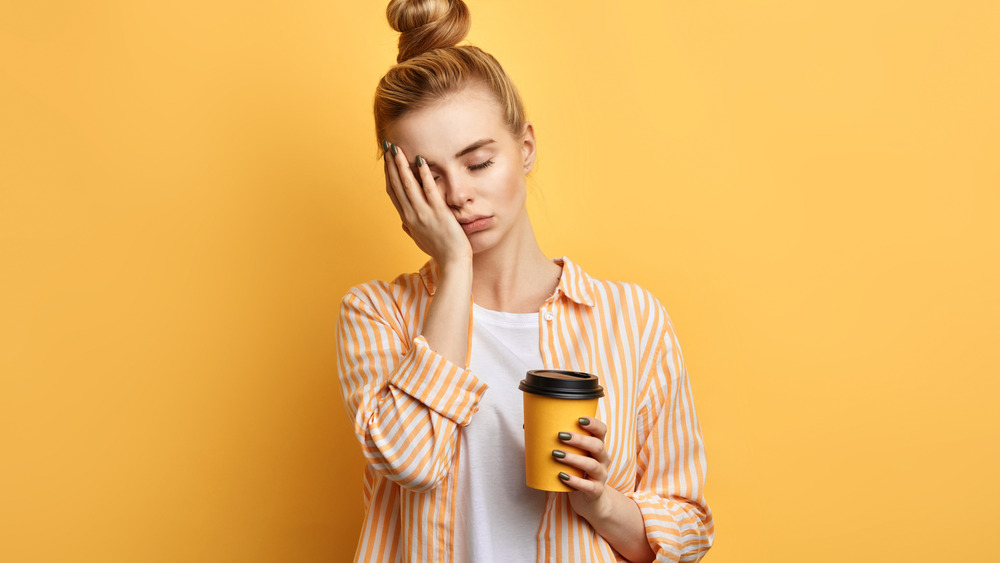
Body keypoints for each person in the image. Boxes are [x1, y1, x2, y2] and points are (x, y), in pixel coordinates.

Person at [336, 1, 714, 561]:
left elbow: (689, 528)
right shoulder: (377, 314)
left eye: (479, 163)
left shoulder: (633, 320)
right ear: (400, 190)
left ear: (525, 149)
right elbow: (411, 464)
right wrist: (455, 266)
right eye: (428, 176)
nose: (458, 195)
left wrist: (601, 501)